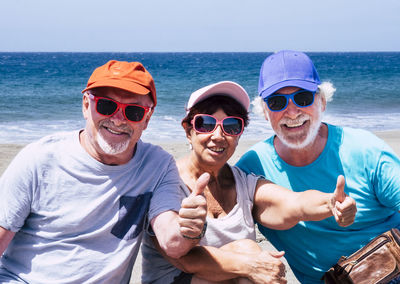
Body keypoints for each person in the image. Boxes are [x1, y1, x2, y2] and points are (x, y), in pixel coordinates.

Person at [0, 60, 208, 283]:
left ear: (147, 119)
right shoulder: (39, 160)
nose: (118, 119)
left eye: (134, 112)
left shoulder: (157, 165)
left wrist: (191, 227)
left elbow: (172, 242)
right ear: (86, 106)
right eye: (106, 106)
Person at [141, 81, 357, 284]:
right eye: (205, 124)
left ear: (239, 134)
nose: (218, 135)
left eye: (231, 126)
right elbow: (184, 259)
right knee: (249, 254)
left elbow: (294, 203)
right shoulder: (166, 183)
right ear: (189, 131)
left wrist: (331, 203)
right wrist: (252, 264)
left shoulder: (243, 183)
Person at [236, 50, 400, 283]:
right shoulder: (251, 169)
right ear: (264, 111)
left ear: (322, 100)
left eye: (303, 98)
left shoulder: (365, 150)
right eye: (276, 102)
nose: (292, 112)